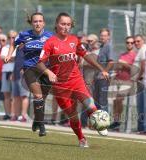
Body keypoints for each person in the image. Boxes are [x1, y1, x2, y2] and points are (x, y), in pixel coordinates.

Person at [37, 12, 110, 148]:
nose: (66, 27)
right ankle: (82, 138)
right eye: (63, 24)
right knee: (73, 116)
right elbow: (39, 62)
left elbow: (86, 55)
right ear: (57, 25)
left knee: (90, 105)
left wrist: (101, 69)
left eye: (68, 24)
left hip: (77, 81)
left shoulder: (74, 40)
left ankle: (100, 124)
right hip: (60, 87)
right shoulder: (50, 43)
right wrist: (48, 72)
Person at [4, 12, 53, 136]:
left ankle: (36, 120)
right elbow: (13, 44)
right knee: (38, 96)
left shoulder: (50, 36)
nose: (37, 23)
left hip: (45, 69)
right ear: (32, 23)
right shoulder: (24, 35)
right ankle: (42, 126)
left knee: (42, 99)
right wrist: (10, 55)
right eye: (35, 21)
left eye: (40, 21)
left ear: (44, 23)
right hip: (29, 68)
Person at [109, 36, 136, 131]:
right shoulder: (122, 54)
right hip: (117, 79)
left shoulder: (135, 55)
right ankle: (116, 121)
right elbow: (119, 66)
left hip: (127, 80)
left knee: (119, 99)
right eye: (128, 42)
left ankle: (118, 121)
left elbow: (133, 68)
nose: (129, 44)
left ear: (134, 44)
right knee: (115, 101)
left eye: (131, 43)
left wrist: (123, 63)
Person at [80, 33, 100, 128]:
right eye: (87, 41)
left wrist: (83, 61)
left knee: (92, 103)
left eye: (90, 41)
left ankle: (93, 123)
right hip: (85, 80)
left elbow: (91, 63)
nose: (88, 43)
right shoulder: (88, 51)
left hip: (92, 81)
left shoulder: (98, 51)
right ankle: (84, 122)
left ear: (96, 41)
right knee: (86, 103)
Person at [94, 28, 116, 112]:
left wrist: (104, 72)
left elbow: (111, 62)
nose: (102, 37)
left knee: (102, 101)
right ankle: (98, 122)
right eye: (101, 35)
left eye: (105, 35)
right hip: (98, 77)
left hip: (104, 78)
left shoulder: (108, 47)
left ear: (108, 37)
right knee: (98, 100)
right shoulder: (102, 46)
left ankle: (104, 123)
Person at [0, 30, 18, 120]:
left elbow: (11, 58)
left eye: (14, 37)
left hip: (15, 72)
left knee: (15, 95)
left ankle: (14, 114)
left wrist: (9, 57)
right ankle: (8, 113)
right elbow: (3, 58)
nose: (12, 39)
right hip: (6, 71)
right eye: (10, 37)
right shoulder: (5, 48)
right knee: (6, 94)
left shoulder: (19, 47)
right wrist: (13, 58)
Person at [134, 34, 146, 133]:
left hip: (142, 81)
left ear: (143, 41)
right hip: (140, 81)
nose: (136, 43)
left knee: (142, 106)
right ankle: (141, 127)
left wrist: (137, 78)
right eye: (135, 41)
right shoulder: (140, 50)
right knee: (140, 106)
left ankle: (142, 128)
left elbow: (143, 66)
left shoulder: (143, 50)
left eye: (138, 41)